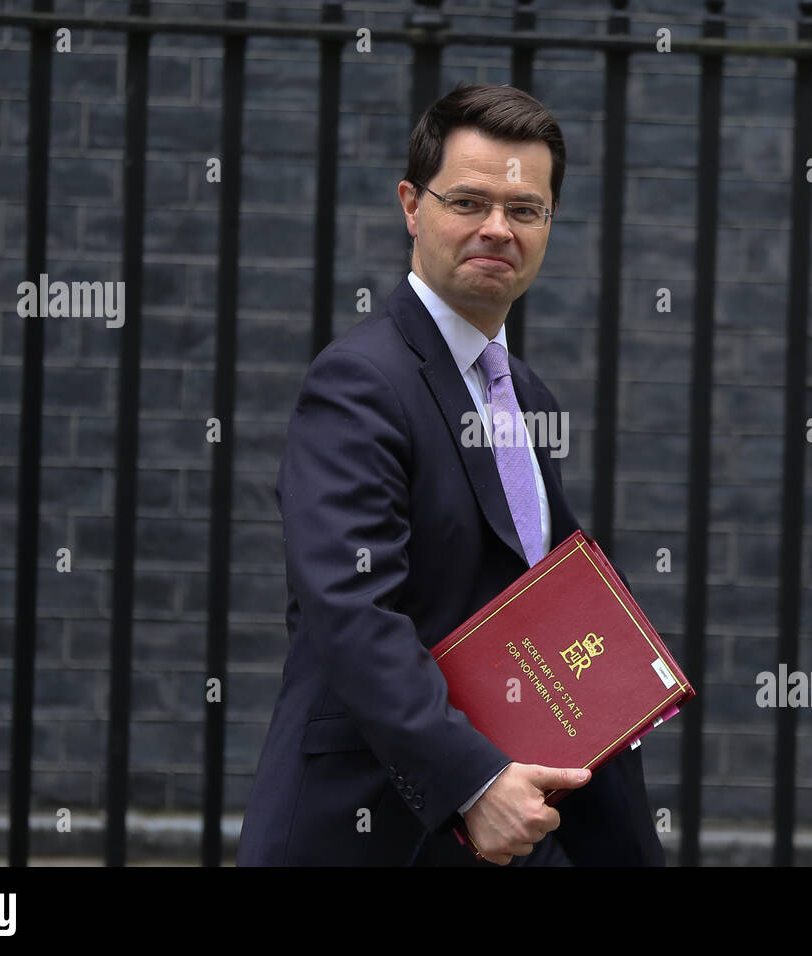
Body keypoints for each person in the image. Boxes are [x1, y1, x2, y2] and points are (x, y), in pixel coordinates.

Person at [237, 83, 664, 867]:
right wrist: (474, 780)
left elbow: (543, 599)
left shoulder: (525, 395)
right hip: (368, 832)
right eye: (468, 201)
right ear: (412, 205)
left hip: (507, 831)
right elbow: (352, 608)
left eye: (525, 209)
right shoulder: (360, 382)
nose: (497, 228)